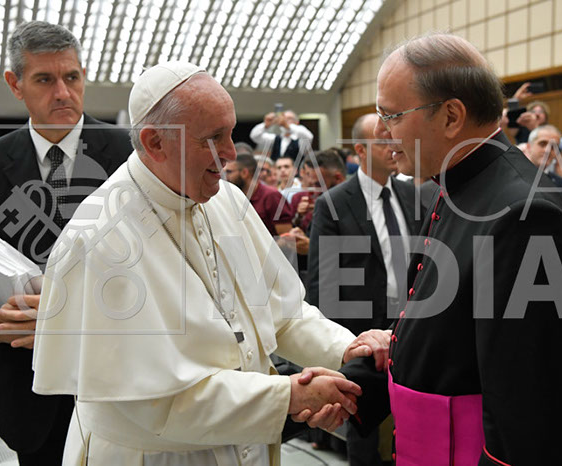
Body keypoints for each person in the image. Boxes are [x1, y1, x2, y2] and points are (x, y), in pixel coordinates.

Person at [30, 61, 389, 465]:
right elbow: (145, 406)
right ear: (155, 142)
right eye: (214, 138)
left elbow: (283, 313)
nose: (231, 154)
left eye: (230, 133)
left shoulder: (228, 200)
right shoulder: (98, 240)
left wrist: (345, 348)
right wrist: (288, 396)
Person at [330, 33, 562, 465]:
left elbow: (531, 415)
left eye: (391, 115)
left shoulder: (524, 217)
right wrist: (355, 385)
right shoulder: (455, 182)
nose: (380, 132)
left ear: (451, 116)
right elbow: (451, 339)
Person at [0, 21, 132, 465]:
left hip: (122, 384)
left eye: (72, 77)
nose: (63, 93)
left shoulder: (133, 156)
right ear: (15, 84)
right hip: (30, 392)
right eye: (45, 79)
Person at [307, 113, 425, 465]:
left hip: (410, 326)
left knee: (415, 425)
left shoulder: (413, 194)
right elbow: (324, 283)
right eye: (383, 140)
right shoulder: (335, 203)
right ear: (360, 150)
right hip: (362, 333)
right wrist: (345, 344)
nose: (393, 146)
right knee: (365, 438)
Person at [224, 154, 293, 236]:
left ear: (244, 173)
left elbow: (286, 238)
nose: (225, 176)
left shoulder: (271, 196)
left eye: (229, 172)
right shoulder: (231, 197)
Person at [290, 150, 346, 233]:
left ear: (338, 178)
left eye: (318, 185)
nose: (313, 191)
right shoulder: (301, 198)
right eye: (310, 184)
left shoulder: (355, 203)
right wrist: (299, 217)